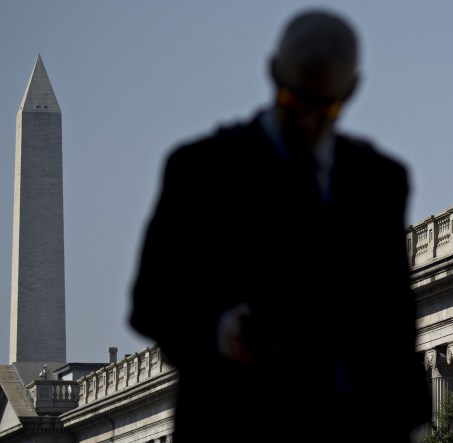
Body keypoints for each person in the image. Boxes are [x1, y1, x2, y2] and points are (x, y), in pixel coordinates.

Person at [129, 8, 432, 442]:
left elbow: (393, 321)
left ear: (352, 89)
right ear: (273, 73)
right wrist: (221, 331)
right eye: (295, 101)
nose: (309, 119)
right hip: (238, 421)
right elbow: (151, 301)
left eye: (325, 106)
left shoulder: (379, 179)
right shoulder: (202, 170)